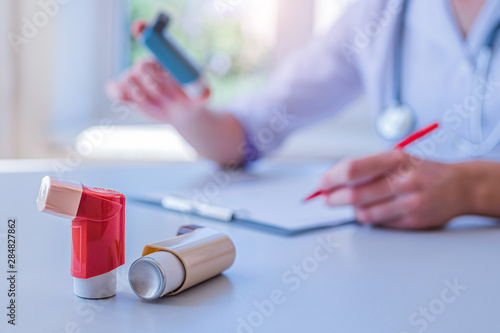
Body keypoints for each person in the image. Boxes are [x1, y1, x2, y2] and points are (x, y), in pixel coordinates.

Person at [106, 0, 500, 230]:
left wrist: (471, 189)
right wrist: (185, 112)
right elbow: (243, 134)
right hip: (410, 262)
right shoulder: (378, 13)